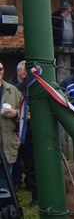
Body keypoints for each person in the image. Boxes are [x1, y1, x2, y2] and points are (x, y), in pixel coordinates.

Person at [10, 61, 37, 206]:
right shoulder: (15, 90)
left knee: (34, 163)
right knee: (26, 164)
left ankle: (38, 192)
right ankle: (29, 191)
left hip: (36, 131)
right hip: (21, 132)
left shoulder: (36, 87)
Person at [0, 60, 21, 192]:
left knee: (5, 180)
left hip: (8, 144)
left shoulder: (12, 90)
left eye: (0, 69)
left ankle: (4, 209)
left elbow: (27, 113)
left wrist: (15, 113)